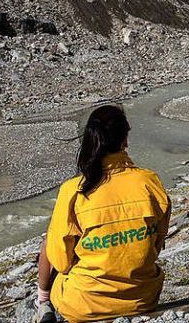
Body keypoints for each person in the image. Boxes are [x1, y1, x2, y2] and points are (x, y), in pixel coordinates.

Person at [34, 105, 171, 323]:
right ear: (125, 140)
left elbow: (61, 262)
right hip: (143, 299)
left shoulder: (74, 190)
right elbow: (156, 244)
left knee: (51, 238)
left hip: (83, 305)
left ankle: (42, 302)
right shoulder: (149, 182)